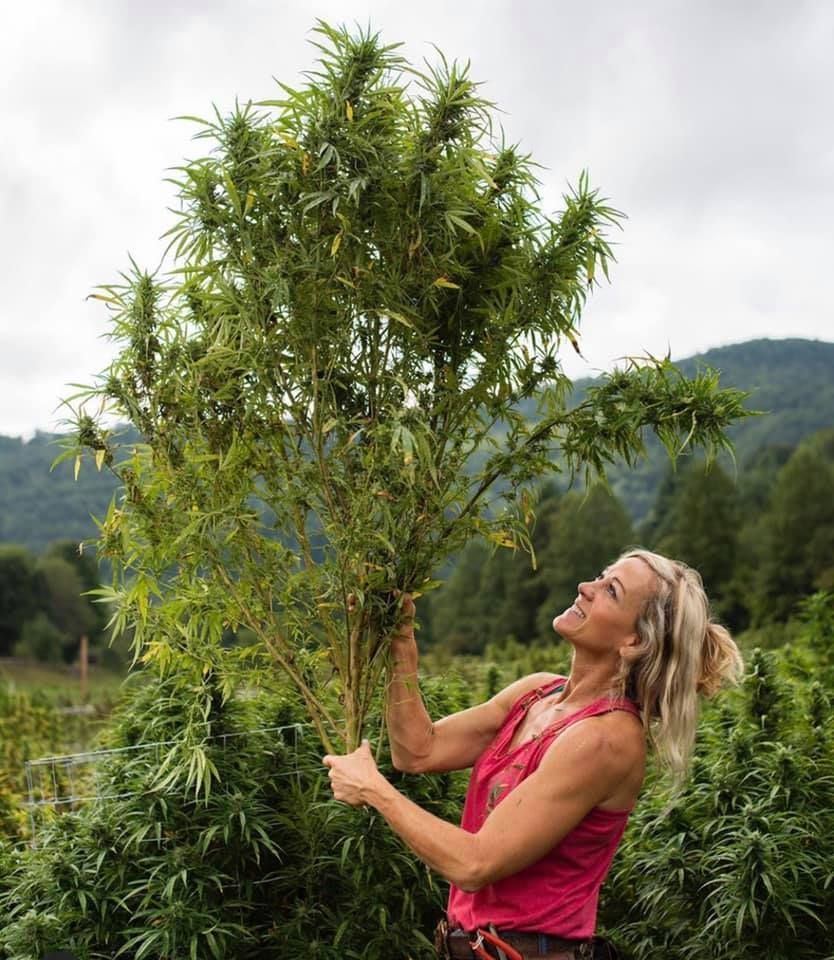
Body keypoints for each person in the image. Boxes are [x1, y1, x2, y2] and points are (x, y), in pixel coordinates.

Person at [323, 549, 743, 960]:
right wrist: (401, 640)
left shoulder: (605, 738)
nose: (586, 587)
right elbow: (419, 750)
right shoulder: (537, 693)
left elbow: (475, 863)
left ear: (634, 641)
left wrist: (375, 790)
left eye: (611, 591)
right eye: (600, 575)